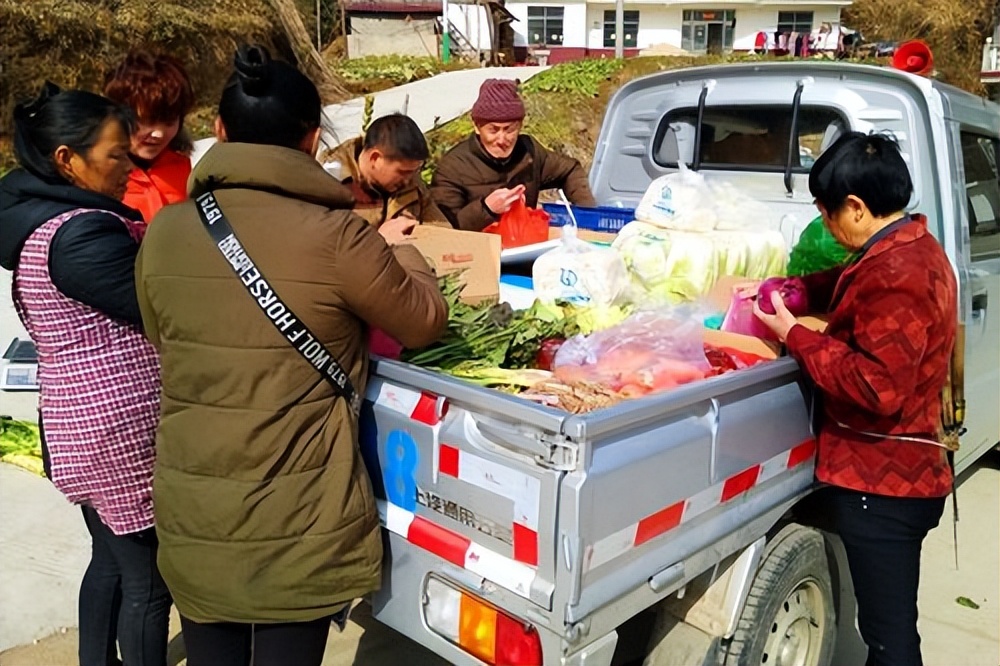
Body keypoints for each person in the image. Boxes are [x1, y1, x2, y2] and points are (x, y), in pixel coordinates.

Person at [134, 45, 448, 666]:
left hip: (197, 503)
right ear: (311, 140)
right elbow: (423, 322)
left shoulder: (166, 229)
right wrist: (407, 255)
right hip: (299, 511)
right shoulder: (340, 236)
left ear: (220, 132)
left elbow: (159, 333)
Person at [751, 132, 957, 666]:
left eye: (827, 213)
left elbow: (876, 387)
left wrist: (796, 334)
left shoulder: (899, 274)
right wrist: (800, 289)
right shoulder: (906, 245)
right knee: (885, 627)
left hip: (886, 484)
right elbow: (849, 281)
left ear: (858, 208)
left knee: (889, 637)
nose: (826, 225)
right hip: (894, 477)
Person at [0, 83, 170, 666]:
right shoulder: (81, 234)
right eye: (116, 155)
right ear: (67, 160)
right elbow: (161, 309)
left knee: (112, 563)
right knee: (151, 584)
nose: (129, 166)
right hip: (116, 435)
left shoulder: (44, 222)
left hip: (82, 426)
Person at [430, 78, 596, 231]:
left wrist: (587, 217)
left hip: (523, 247)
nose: (502, 139)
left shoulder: (529, 151)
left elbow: (570, 170)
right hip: (479, 253)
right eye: (493, 130)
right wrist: (486, 208)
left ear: (520, 126)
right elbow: (445, 229)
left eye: (509, 129)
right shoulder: (453, 166)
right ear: (477, 126)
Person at [104, 49, 195, 224]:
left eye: (169, 122)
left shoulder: (186, 169)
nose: (158, 134)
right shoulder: (97, 175)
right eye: (146, 121)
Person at [326, 112, 450, 238]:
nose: (408, 181)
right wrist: (380, 241)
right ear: (375, 158)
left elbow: (443, 232)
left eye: (414, 171)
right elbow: (325, 248)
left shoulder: (412, 182)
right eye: (402, 172)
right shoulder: (330, 184)